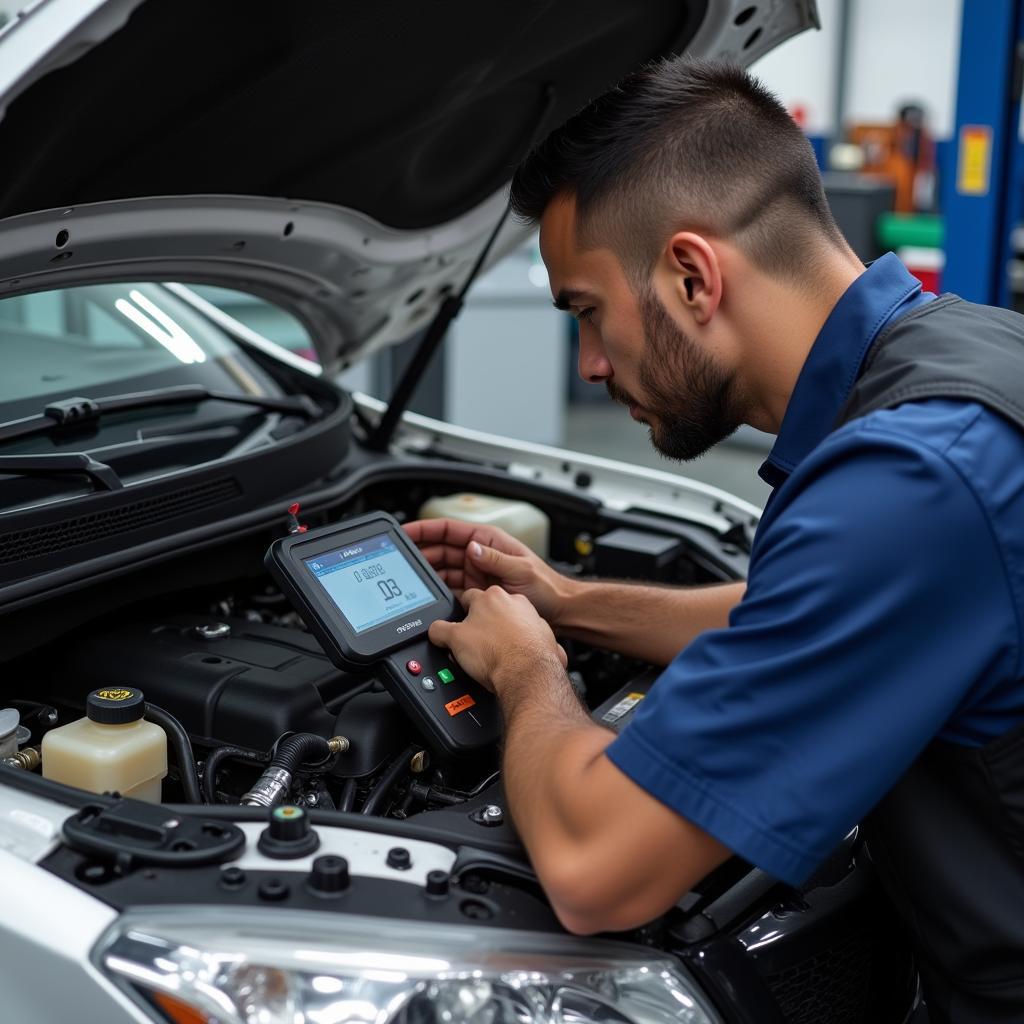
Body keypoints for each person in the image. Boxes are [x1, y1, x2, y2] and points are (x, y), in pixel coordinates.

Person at [404, 59, 1024, 1021]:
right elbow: (811, 615)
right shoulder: (968, 354)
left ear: (692, 276)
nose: (594, 363)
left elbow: (594, 868)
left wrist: (530, 671)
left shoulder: (911, 485)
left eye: (588, 313)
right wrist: (569, 604)